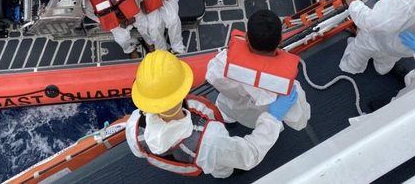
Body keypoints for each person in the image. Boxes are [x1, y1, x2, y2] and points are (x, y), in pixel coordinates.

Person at [125, 50, 300, 178]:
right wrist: (272, 118)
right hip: (214, 157)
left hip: (196, 159)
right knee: (225, 168)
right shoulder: (209, 139)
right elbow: (249, 154)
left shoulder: (134, 127)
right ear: (182, 89)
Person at [206, 9, 311, 129]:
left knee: (226, 113)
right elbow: (300, 123)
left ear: (246, 37)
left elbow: (211, 76)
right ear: (280, 40)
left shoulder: (222, 62)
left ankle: (227, 120)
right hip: (257, 121)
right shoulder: (287, 88)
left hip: (229, 108)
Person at [85, 0, 155, 59]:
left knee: (145, 24)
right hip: (115, 19)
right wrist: (116, 23)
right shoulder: (90, 0)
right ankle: (131, 50)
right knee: (121, 38)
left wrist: (132, 14)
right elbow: (90, 14)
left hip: (132, 11)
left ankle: (149, 43)